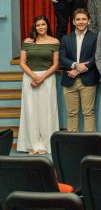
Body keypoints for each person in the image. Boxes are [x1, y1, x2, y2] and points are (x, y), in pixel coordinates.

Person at [17, 16, 59, 155]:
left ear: (47, 26)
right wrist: (34, 76)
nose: (41, 27)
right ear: (35, 27)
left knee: (47, 110)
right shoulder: (27, 42)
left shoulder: (54, 41)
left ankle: (45, 145)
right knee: (31, 111)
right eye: (38, 25)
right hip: (29, 78)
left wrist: (42, 78)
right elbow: (22, 63)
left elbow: (56, 64)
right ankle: (32, 145)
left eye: (43, 24)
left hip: (48, 78)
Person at [60, 9, 99, 132]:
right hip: (69, 80)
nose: (81, 22)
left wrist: (78, 71)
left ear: (89, 21)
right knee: (71, 113)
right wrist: (75, 65)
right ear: (73, 22)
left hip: (88, 80)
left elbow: (96, 58)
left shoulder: (95, 37)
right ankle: (73, 141)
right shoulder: (66, 38)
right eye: (78, 19)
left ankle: (89, 141)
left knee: (88, 112)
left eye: (84, 19)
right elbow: (62, 58)